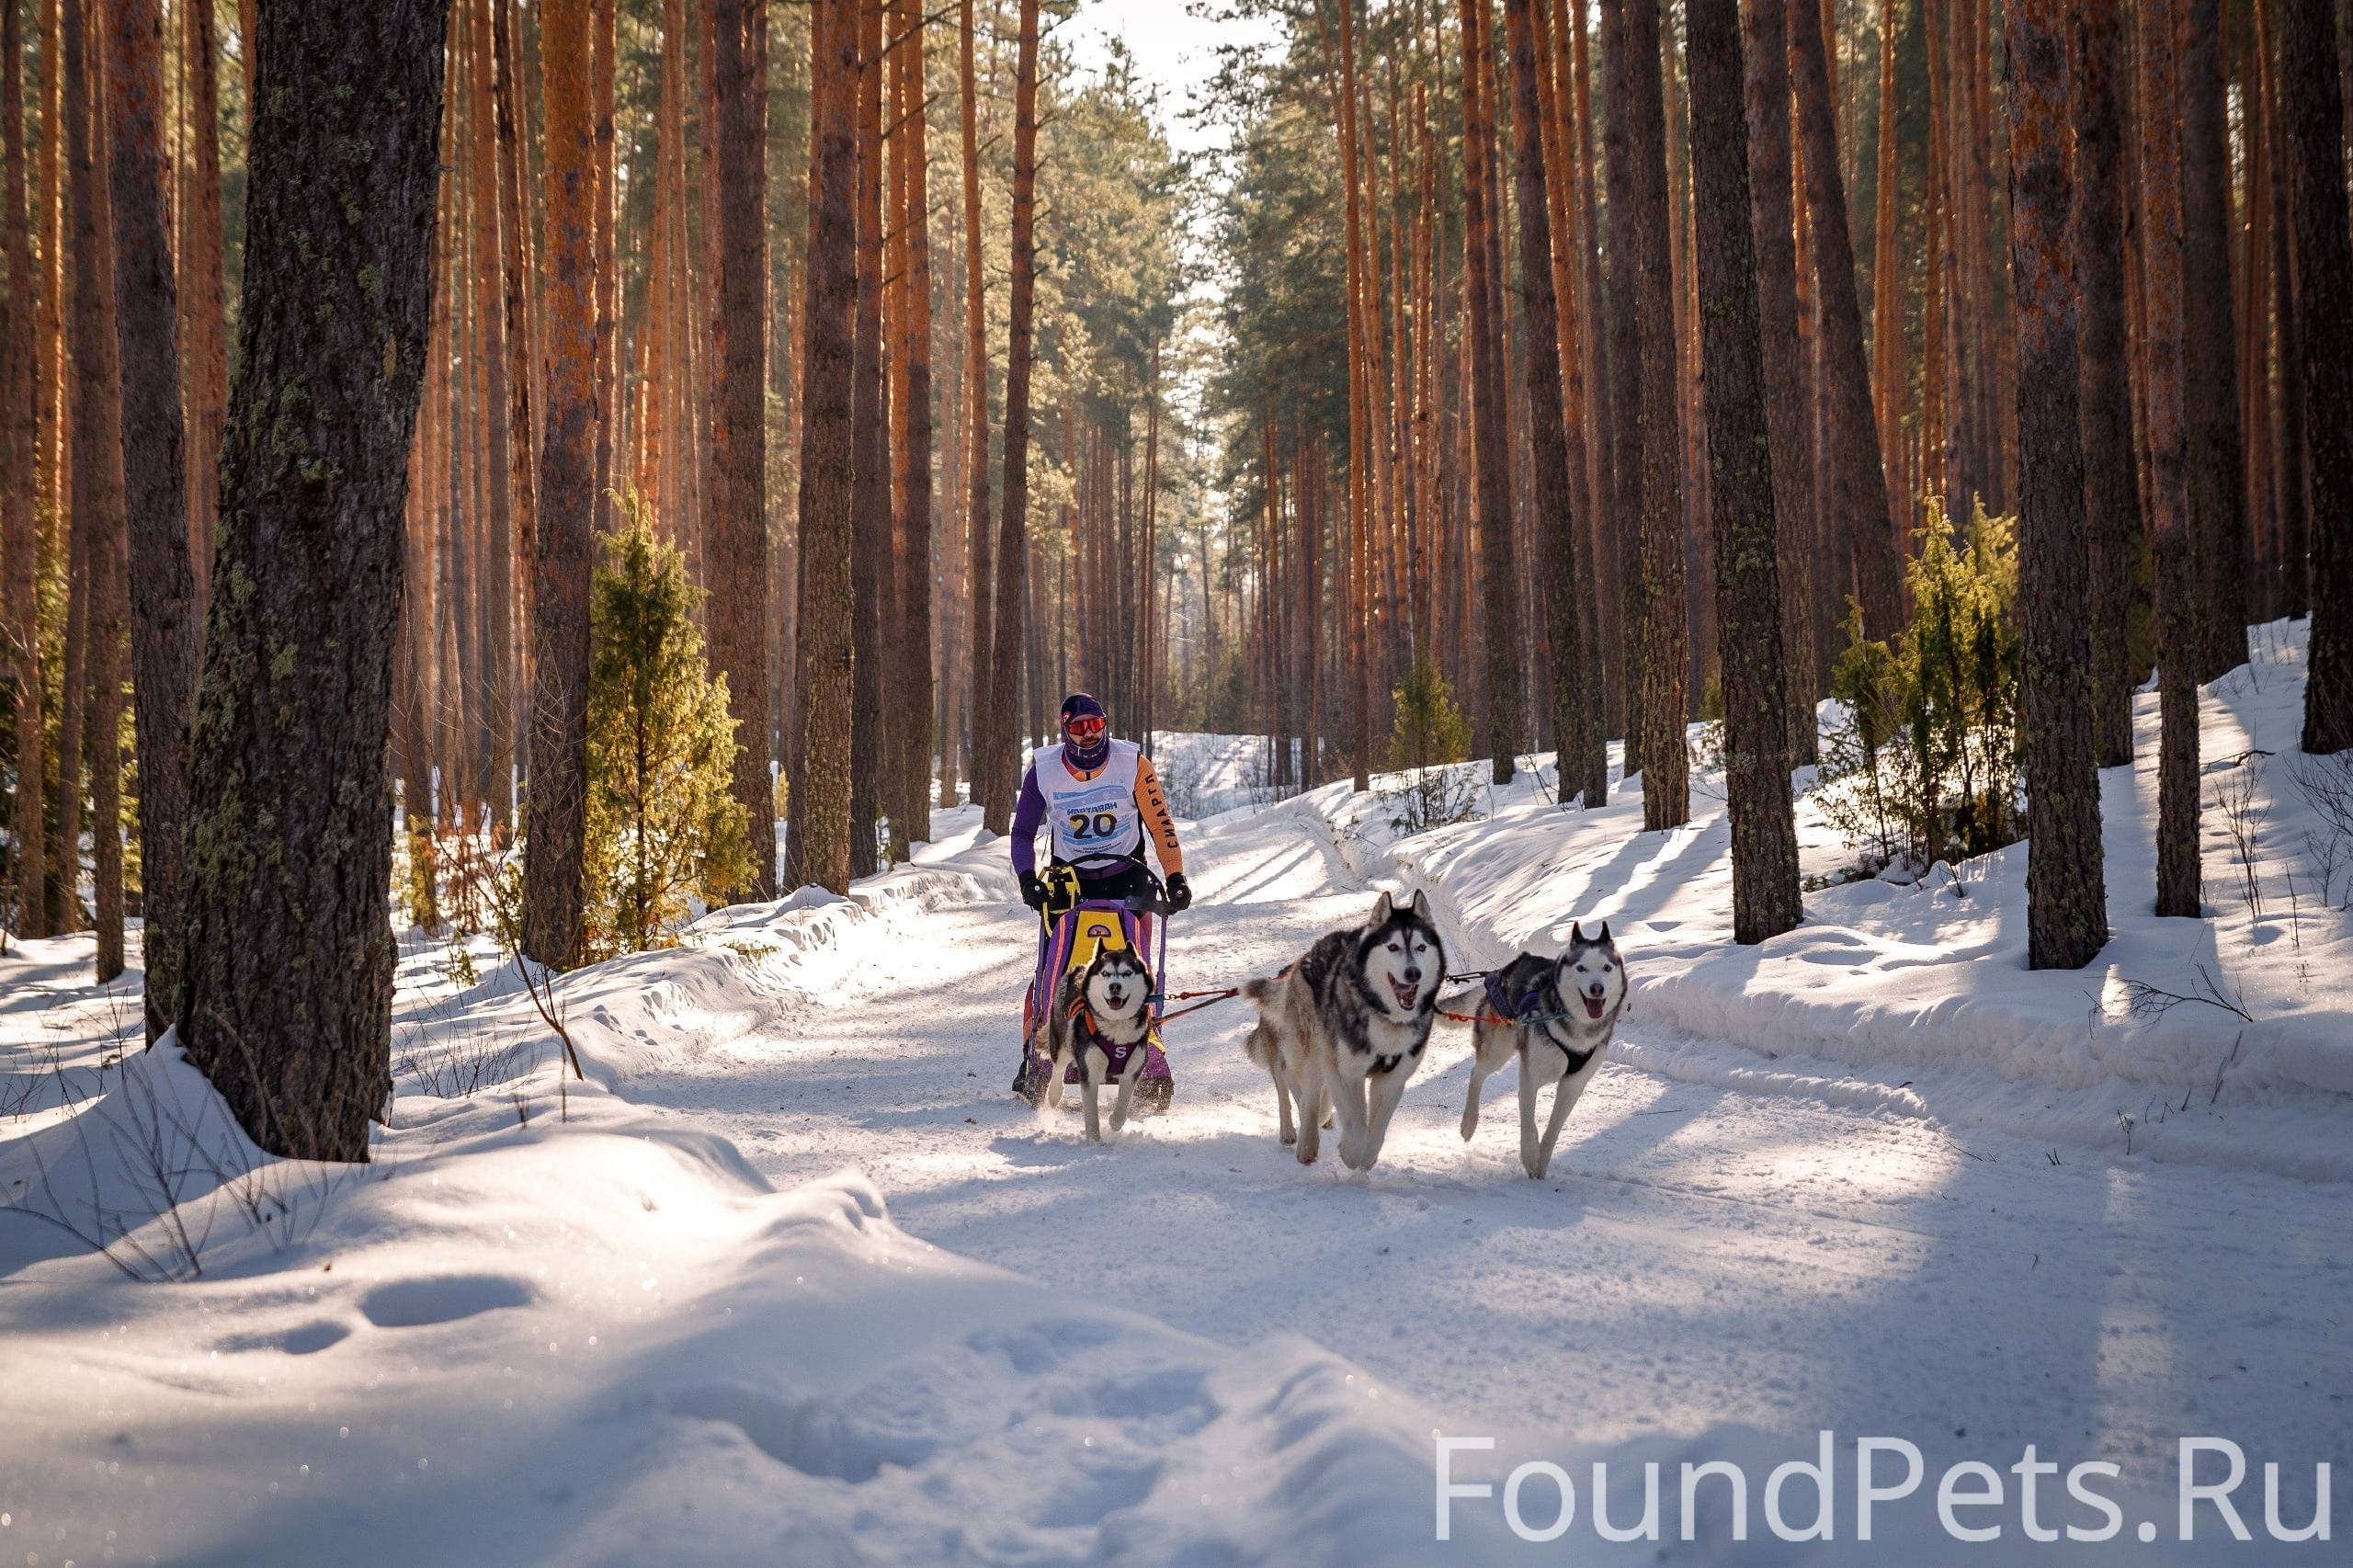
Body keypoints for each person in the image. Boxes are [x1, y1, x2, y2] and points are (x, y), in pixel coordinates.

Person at [1009, 693, 1192, 914]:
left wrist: (1175, 877)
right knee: (1061, 948)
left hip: (1127, 873)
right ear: (1065, 730)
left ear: (1104, 724)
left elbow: (1160, 825)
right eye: (1078, 727)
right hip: (1069, 878)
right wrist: (1027, 879)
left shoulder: (1134, 763)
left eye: (1095, 724)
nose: (1089, 733)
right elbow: (1022, 833)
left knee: (1131, 947)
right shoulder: (1042, 772)